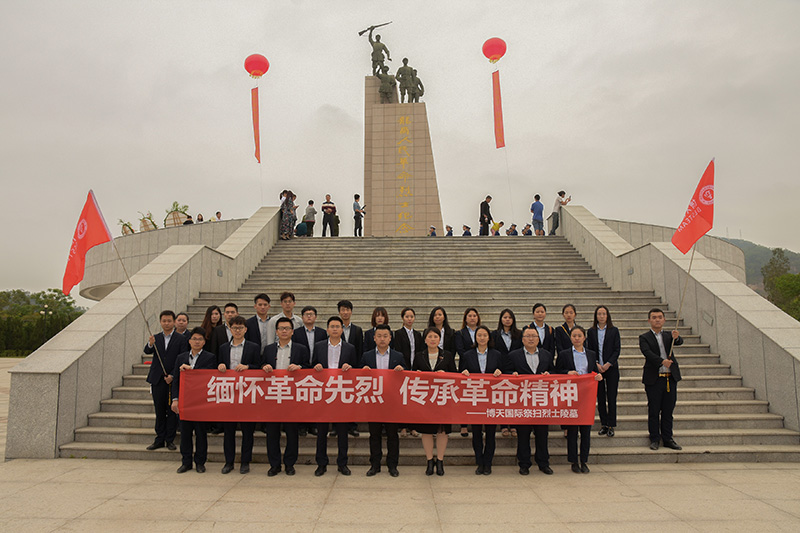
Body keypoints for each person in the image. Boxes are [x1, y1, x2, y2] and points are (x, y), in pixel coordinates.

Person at [261, 316, 310, 476]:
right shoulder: (268, 349)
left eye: (287, 328)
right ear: (276, 331)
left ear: (292, 331)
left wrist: (300, 367)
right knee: (272, 433)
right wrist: (264, 367)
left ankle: (290, 463)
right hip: (272, 396)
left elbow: (309, 368)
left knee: (292, 432)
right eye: (281, 328)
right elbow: (259, 367)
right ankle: (274, 464)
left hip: (292, 397)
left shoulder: (301, 349)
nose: (284, 331)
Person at [312, 316, 358, 476]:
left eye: (338, 326)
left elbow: (356, 369)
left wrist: (350, 367)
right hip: (323, 394)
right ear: (327, 330)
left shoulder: (349, 348)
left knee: (342, 432)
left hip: (341, 394)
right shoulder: (318, 346)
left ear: (341, 329)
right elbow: (312, 366)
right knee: (322, 432)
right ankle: (321, 464)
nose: (335, 329)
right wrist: (316, 367)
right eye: (332, 326)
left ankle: (342, 463)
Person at [506, 327, 555, 475]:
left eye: (534, 336)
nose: (531, 339)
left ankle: (543, 463)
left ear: (538, 339)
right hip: (523, 401)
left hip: (541, 401)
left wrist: (549, 374)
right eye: (528, 336)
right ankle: (524, 463)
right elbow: (505, 372)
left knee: (542, 434)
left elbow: (554, 371)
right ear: (522, 339)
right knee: (523, 434)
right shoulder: (514, 355)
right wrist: (512, 374)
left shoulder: (547, 355)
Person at [216, 315, 262, 474]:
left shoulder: (253, 347)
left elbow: (259, 367)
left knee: (247, 431)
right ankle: (228, 462)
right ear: (230, 329)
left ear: (245, 330)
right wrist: (220, 365)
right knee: (228, 431)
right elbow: (217, 366)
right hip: (229, 394)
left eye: (240, 328)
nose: (237, 331)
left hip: (247, 394)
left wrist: (248, 367)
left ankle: (245, 461)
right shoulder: (223, 348)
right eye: (234, 328)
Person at [556, 326, 603, 473]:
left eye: (579, 336)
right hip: (570, 396)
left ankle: (584, 460)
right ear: (570, 338)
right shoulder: (564, 354)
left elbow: (592, 372)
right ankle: (573, 461)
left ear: (584, 338)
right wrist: (567, 372)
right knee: (572, 431)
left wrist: (597, 377)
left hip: (586, 396)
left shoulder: (591, 354)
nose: (577, 338)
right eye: (574, 335)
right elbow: (557, 372)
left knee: (586, 431)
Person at [361, 324, 406, 477]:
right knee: (374, 435)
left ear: (390, 338)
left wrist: (402, 371)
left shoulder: (398, 356)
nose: (382, 339)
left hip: (391, 403)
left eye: (385, 336)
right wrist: (363, 371)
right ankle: (375, 464)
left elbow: (407, 378)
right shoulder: (366, 356)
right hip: (373, 402)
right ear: (374, 338)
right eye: (379, 336)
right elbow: (359, 379)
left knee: (393, 436)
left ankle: (392, 465)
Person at [171, 327, 217, 473]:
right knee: (185, 434)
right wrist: (175, 399)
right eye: (194, 339)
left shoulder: (210, 357)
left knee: (201, 433)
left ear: (204, 342)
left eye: (200, 339)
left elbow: (208, 376)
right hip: (185, 402)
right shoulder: (181, 357)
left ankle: (200, 462)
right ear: (189, 341)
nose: (197, 342)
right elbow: (176, 380)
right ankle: (186, 462)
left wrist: (191, 370)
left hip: (201, 402)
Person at [414, 327, 457, 476]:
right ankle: (429, 460)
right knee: (426, 431)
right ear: (425, 340)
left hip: (442, 399)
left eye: (435, 337)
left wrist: (446, 374)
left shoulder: (448, 356)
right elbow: (412, 376)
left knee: (442, 430)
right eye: (430, 337)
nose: (432, 339)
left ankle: (440, 460)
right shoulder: (419, 356)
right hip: (425, 400)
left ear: (440, 340)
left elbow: (455, 376)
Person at [459, 325, 502, 474]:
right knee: (476, 433)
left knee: (490, 433)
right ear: (475, 338)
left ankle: (488, 462)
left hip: (492, 398)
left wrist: (500, 372)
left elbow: (505, 372)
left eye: (484, 335)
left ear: (489, 337)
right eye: (479, 335)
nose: (482, 338)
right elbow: (460, 374)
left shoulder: (497, 354)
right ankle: (480, 462)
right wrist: (463, 373)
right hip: (475, 398)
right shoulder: (467, 355)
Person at [144, 310, 188, 451]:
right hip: (157, 379)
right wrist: (150, 344)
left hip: (172, 380)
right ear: (160, 322)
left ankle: (170, 439)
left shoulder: (181, 339)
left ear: (174, 322)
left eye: (169, 321)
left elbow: (182, 358)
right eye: (164, 321)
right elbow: (147, 351)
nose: (167, 323)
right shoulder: (155, 337)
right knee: (159, 410)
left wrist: (173, 376)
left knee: (171, 411)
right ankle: (159, 439)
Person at [640, 308, 684, 451]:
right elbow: (647, 353)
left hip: (670, 378)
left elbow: (679, 342)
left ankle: (668, 438)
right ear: (649, 320)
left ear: (664, 320)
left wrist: (677, 337)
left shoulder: (669, 335)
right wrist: (661, 361)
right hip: (654, 379)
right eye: (654, 317)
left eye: (660, 317)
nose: (657, 320)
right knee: (654, 410)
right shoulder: (644, 337)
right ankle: (654, 438)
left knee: (668, 410)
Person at [587, 305, 621, 437]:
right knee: (600, 397)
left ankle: (612, 424)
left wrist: (608, 364)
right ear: (596, 316)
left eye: (604, 314)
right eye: (599, 314)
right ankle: (604, 424)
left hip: (611, 368)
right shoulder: (591, 331)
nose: (601, 316)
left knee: (611, 397)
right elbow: (589, 349)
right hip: (597, 369)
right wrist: (596, 364)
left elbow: (617, 349)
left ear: (608, 316)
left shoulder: (614, 330)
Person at [392, 307, 423, 438]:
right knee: (402, 400)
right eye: (407, 317)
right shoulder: (398, 333)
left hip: (414, 370)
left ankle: (413, 427)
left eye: (411, 316)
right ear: (402, 318)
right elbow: (398, 351)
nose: (409, 319)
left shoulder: (418, 334)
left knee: (413, 401)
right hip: (403, 370)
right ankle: (403, 427)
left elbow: (420, 352)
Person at [492, 308, 522, 437]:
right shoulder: (494, 334)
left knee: (515, 397)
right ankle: (504, 424)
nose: (507, 319)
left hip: (515, 368)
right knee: (502, 398)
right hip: (500, 368)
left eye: (510, 317)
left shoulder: (519, 334)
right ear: (501, 319)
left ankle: (514, 425)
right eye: (505, 317)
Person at [339, 300, 364, 439]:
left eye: (347, 309)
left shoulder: (357, 330)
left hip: (353, 370)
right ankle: (337, 427)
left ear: (351, 312)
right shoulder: (335, 327)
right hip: (338, 371)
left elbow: (360, 350)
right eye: (342, 310)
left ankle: (352, 426)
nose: (345, 312)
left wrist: (357, 368)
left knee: (352, 399)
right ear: (339, 312)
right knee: (338, 399)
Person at [455, 307, 481, 438]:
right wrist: (472, 357)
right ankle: (463, 425)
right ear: (465, 318)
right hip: (465, 368)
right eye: (469, 316)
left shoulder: (482, 332)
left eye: (474, 316)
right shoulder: (460, 333)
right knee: (465, 396)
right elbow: (460, 350)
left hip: (480, 368)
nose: (472, 318)